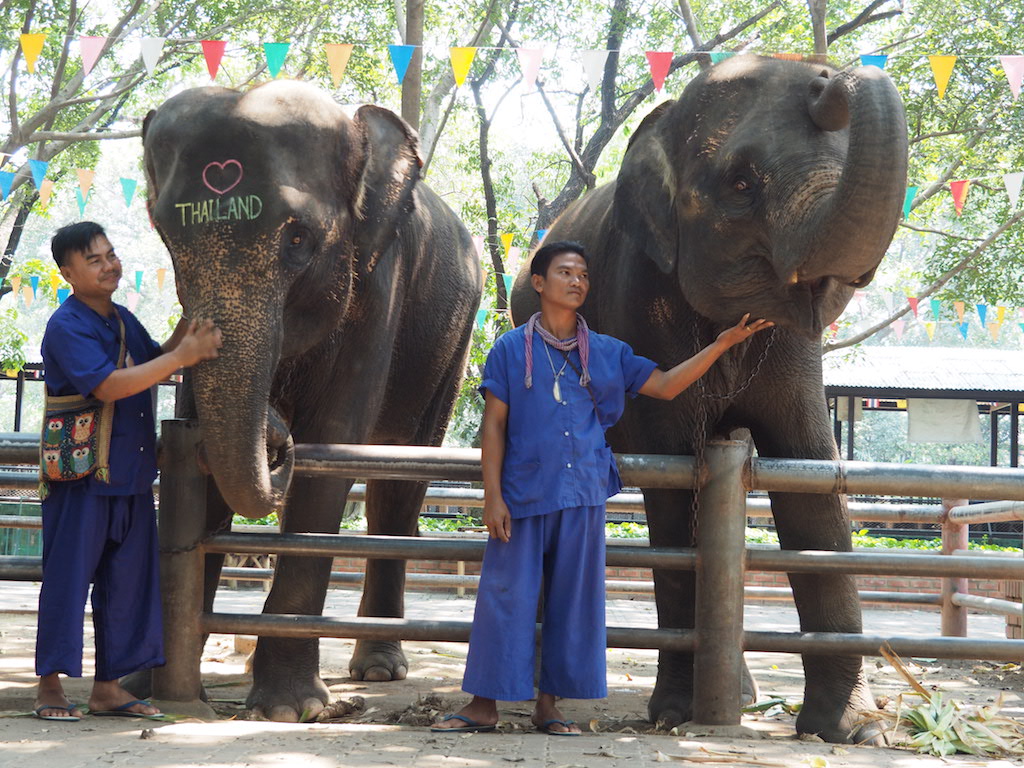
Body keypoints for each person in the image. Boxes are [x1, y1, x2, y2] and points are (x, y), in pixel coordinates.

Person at [432, 241, 772, 735]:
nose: (577, 282)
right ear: (540, 283)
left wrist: (721, 345)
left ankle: (550, 707)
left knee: (574, 602)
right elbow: (494, 428)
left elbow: (667, 385)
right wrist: (492, 497)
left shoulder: (608, 352)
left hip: (584, 494)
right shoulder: (509, 350)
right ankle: (483, 705)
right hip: (522, 494)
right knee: (505, 596)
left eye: (584, 275)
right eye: (565, 272)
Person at [33, 221, 222, 721]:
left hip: (132, 478)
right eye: (93, 260)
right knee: (67, 582)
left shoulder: (121, 319)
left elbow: (156, 359)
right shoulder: (67, 324)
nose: (109, 264)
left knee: (128, 584)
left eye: (110, 254)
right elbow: (109, 385)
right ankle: (50, 687)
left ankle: (109, 688)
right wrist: (182, 356)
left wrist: (191, 323)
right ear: (67, 273)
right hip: (82, 478)